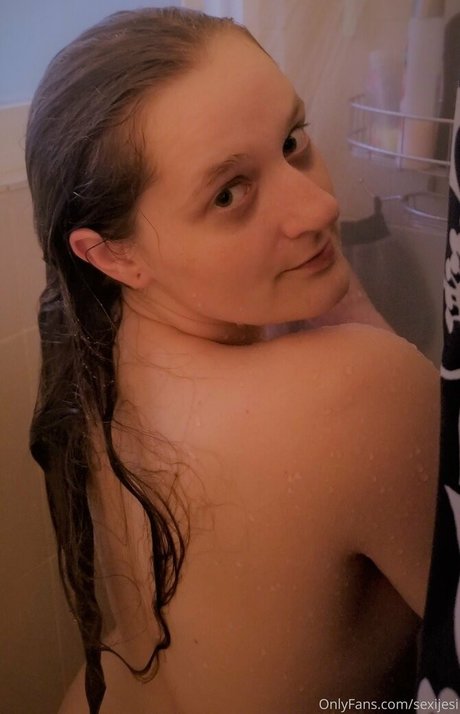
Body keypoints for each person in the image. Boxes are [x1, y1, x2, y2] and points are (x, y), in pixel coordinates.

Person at [25, 8, 440, 714]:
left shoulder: (100, 349)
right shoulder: (365, 393)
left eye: (292, 141)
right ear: (112, 254)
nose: (320, 207)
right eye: (228, 193)